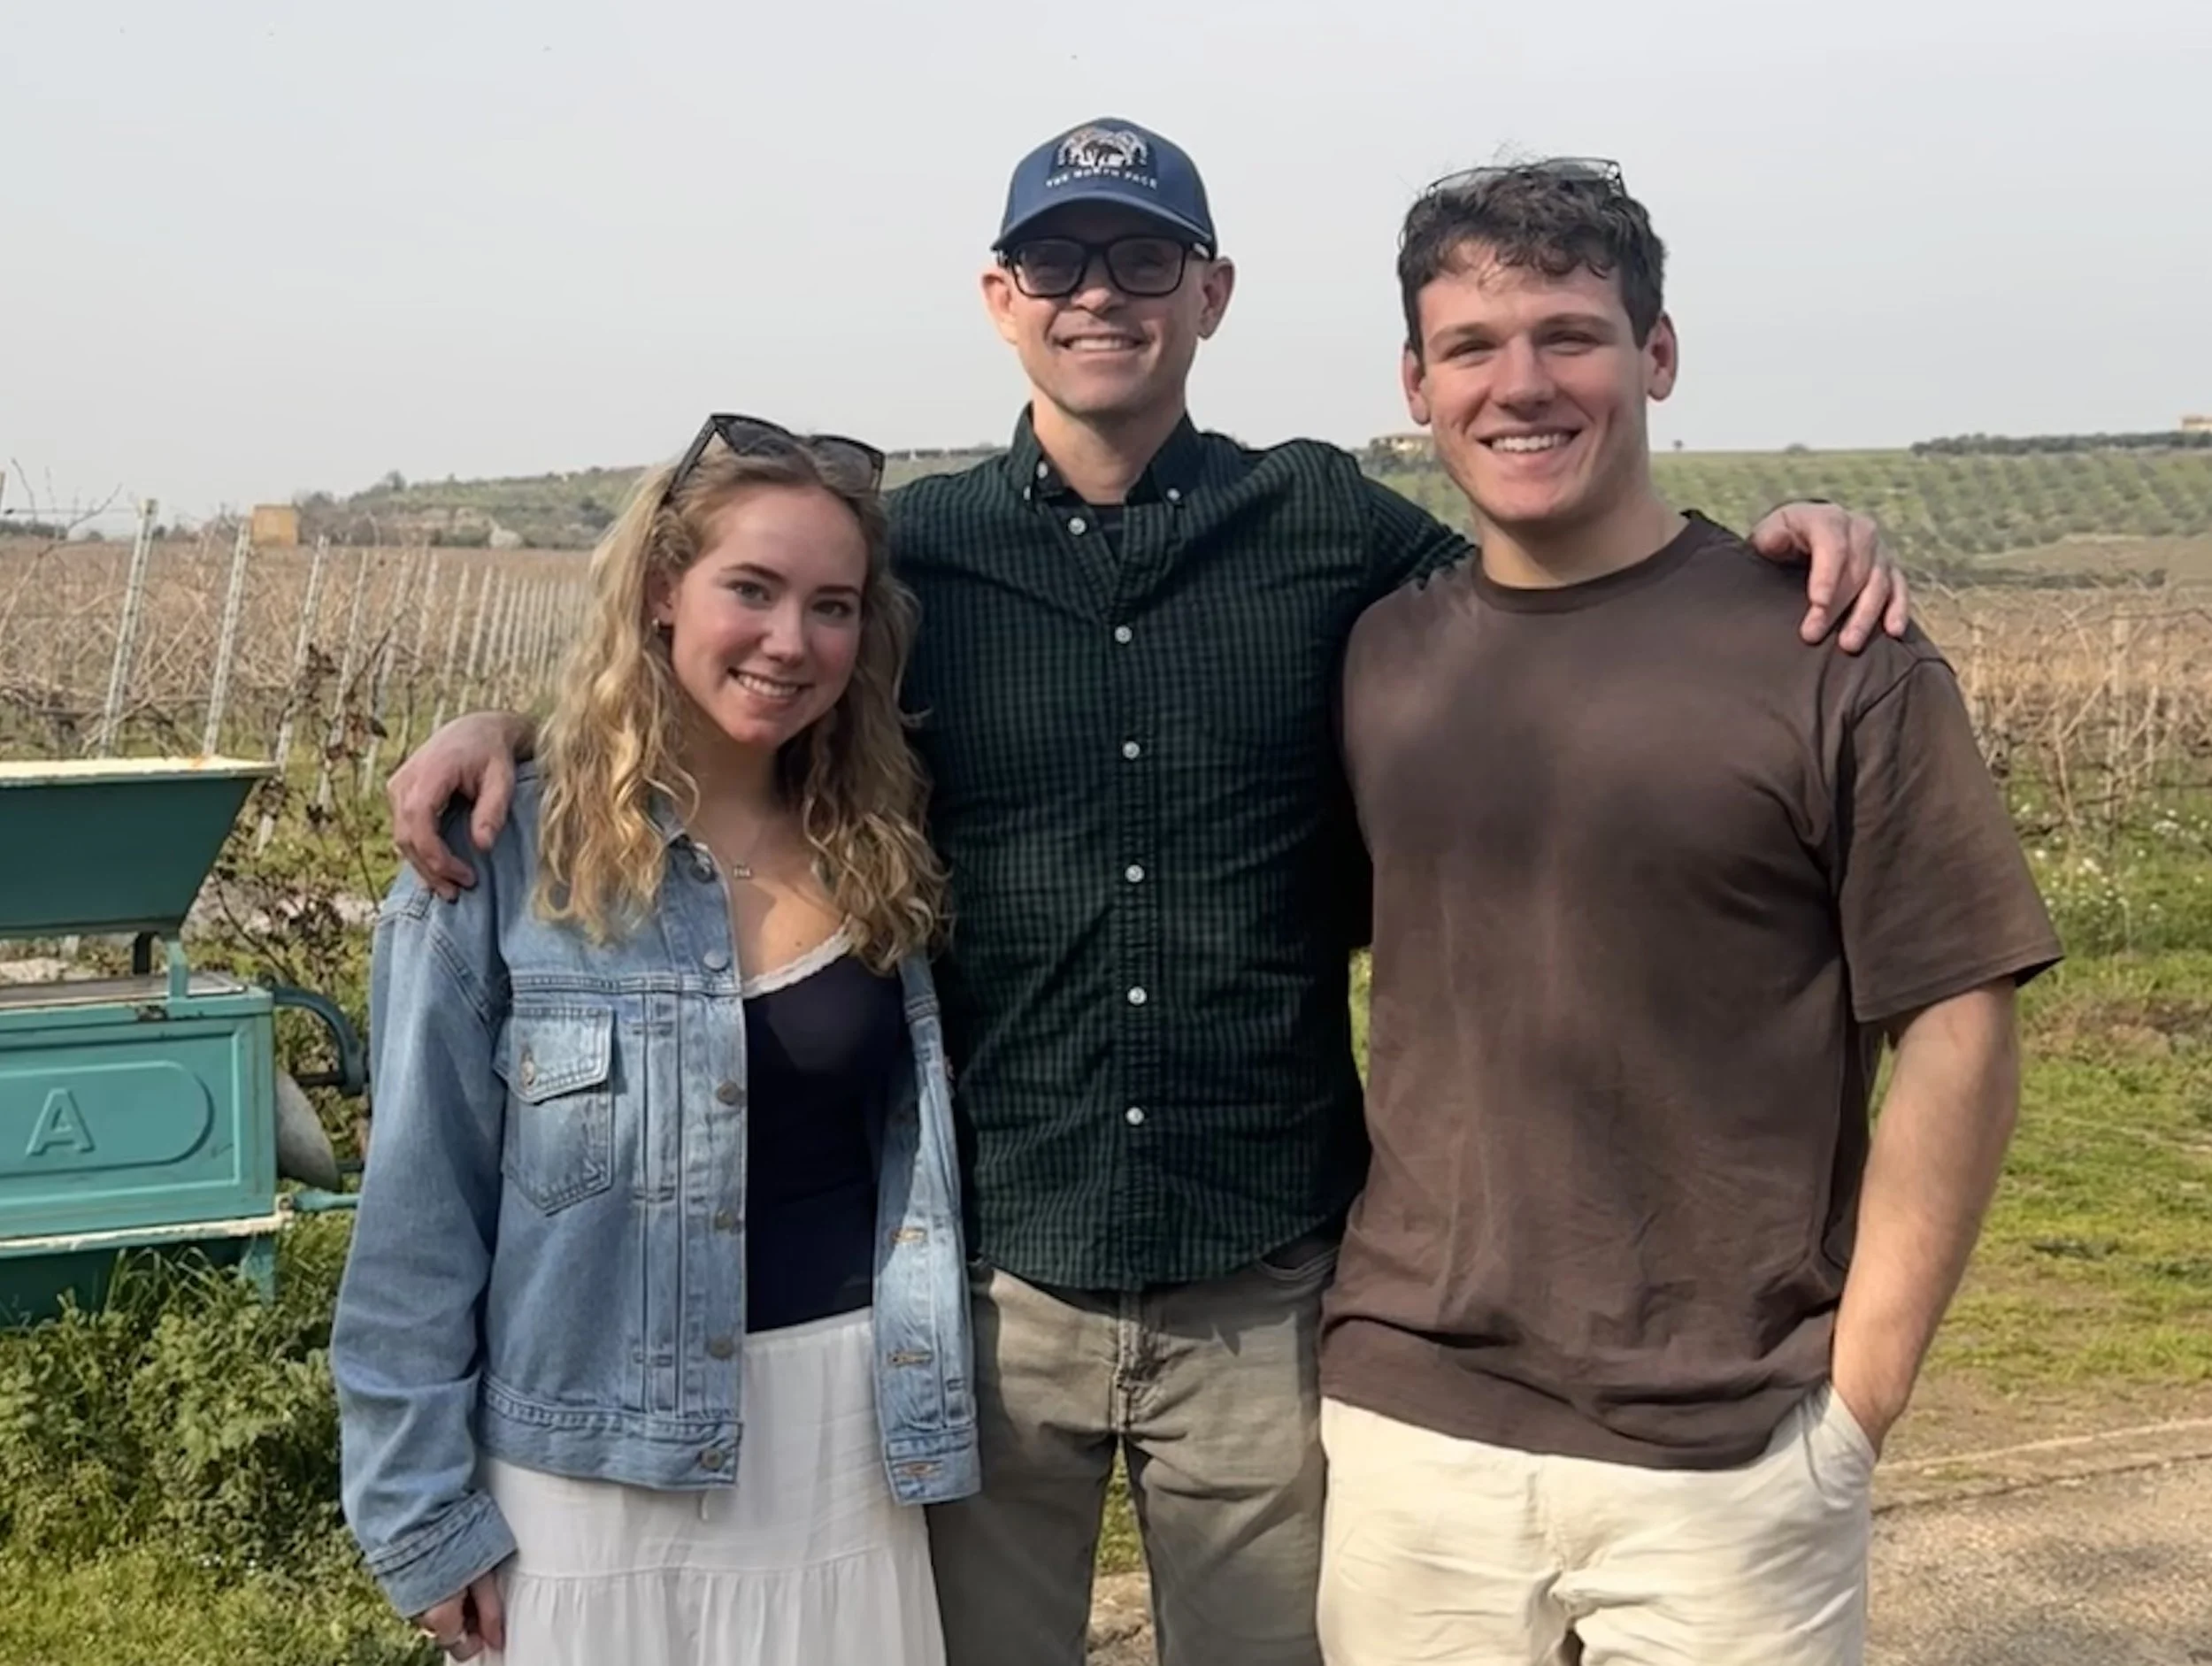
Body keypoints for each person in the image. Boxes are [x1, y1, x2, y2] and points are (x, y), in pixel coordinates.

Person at [383, 120, 1913, 1666]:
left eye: (1141, 258)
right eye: (1057, 258)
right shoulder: (920, 559)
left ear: (1212, 292)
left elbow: (1560, 571)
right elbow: (748, 676)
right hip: (989, 1287)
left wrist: (1772, 549)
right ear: (1001, 293)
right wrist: (520, 735)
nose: (1096, 293)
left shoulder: (1327, 528)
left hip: (1263, 1277)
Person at [1317, 157, 2062, 1666]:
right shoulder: (1379, 656)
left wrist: (1858, 1404)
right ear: (1415, 380)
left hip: (1732, 1449)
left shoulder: (1833, 652)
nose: (1520, 383)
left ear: (1656, 354)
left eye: (1569, 334)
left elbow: (1959, 1023)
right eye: (1470, 345)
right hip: (1415, 1429)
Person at [332, 416, 979, 1666]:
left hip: (843, 1452)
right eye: (752, 588)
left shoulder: (884, 840)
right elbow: (418, 1206)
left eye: (833, 605)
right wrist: (416, 1511)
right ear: (659, 591)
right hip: (582, 1481)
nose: (793, 640)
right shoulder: (500, 860)